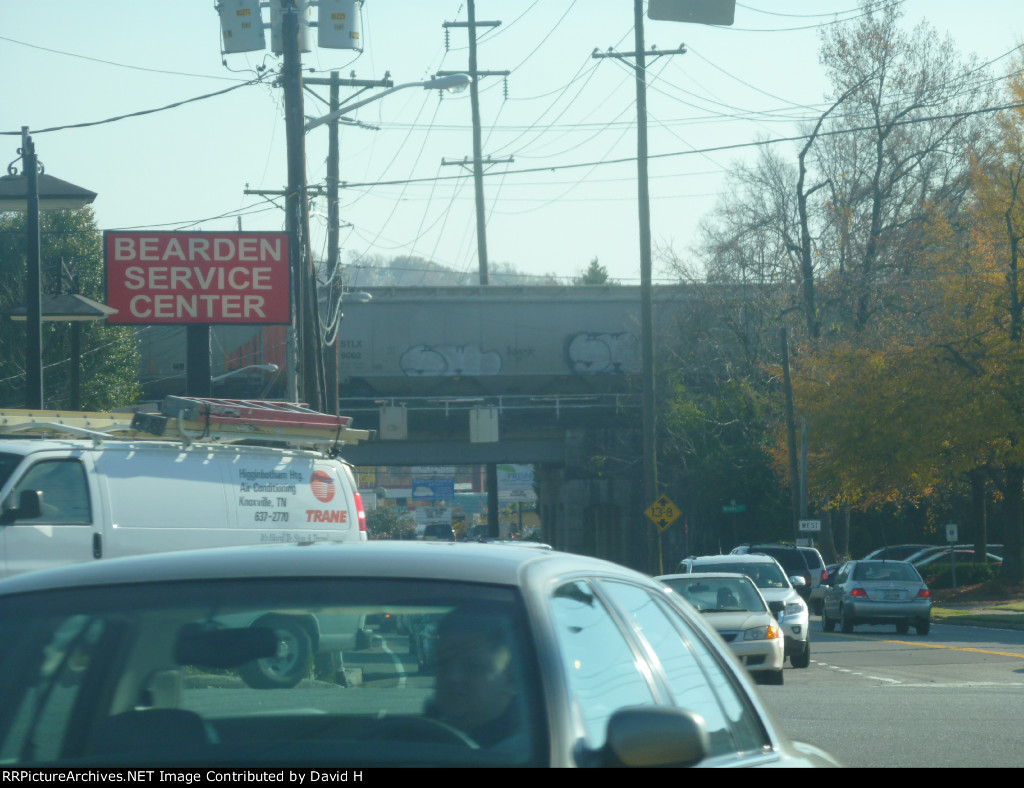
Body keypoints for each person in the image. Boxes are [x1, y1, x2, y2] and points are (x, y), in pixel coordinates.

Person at [426, 610, 520, 747]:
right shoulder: (416, 736)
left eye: (473, 667)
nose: (453, 677)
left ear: (510, 679)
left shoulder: (523, 749)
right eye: (443, 664)